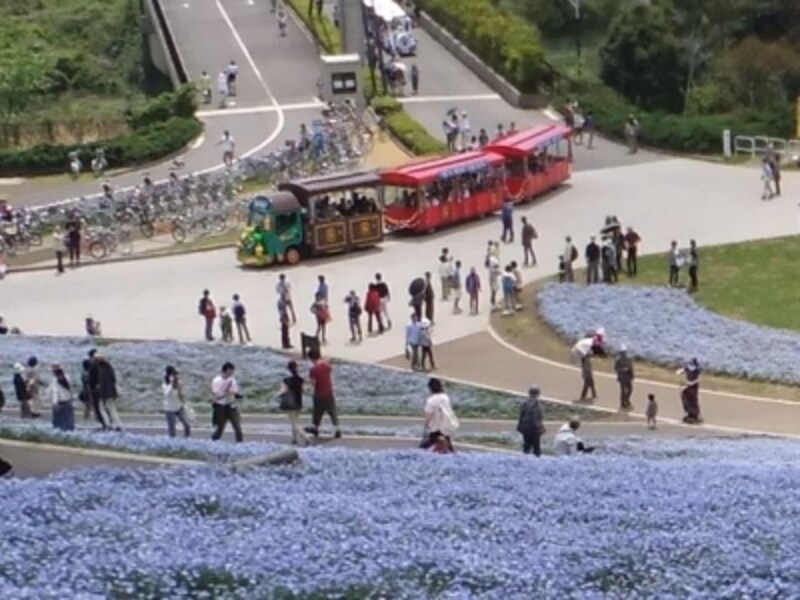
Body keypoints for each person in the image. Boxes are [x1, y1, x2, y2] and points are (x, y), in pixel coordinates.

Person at [307, 348, 341, 439]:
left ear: (311, 358)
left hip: (319, 392)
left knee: (317, 412)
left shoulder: (313, 369)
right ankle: (337, 429)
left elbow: (313, 382)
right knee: (332, 411)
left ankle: (315, 428)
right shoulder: (326, 366)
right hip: (329, 391)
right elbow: (329, 368)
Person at [421, 378, 458, 452]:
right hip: (445, 426)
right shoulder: (445, 397)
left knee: (432, 447)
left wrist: (426, 425)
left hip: (435, 427)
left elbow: (428, 415)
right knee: (447, 446)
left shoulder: (431, 401)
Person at [90, 352, 123, 431]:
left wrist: (98, 388)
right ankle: (118, 425)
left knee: (102, 408)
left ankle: (108, 425)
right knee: (112, 409)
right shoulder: (108, 367)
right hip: (111, 391)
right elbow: (113, 379)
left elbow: (102, 382)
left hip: (104, 392)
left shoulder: (100, 368)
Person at [211, 362, 244, 442]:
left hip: (231, 405)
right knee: (220, 428)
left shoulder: (232, 380)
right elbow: (217, 396)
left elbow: (235, 391)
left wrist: (238, 395)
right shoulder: (217, 381)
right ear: (226, 370)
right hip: (221, 406)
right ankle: (213, 442)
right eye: (231, 371)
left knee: (237, 427)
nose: (232, 373)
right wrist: (228, 393)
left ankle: (240, 444)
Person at [281, 360, 309, 446]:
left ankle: (306, 437)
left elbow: (283, 391)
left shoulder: (286, 380)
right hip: (299, 402)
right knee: (296, 420)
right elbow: (304, 390)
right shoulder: (300, 379)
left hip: (290, 404)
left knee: (294, 423)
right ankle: (294, 439)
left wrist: (278, 395)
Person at [162, 366, 191, 438]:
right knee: (172, 429)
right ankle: (173, 443)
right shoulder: (165, 384)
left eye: (175, 374)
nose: (175, 376)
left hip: (179, 407)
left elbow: (181, 394)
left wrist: (186, 404)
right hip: (169, 409)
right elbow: (166, 394)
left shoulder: (179, 383)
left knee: (186, 424)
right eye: (173, 374)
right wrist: (171, 384)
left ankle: (187, 439)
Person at [517, 385, 546, 456]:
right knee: (536, 449)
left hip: (525, 429)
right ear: (538, 394)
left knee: (526, 447)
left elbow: (521, 416)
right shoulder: (538, 405)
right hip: (535, 430)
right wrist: (541, 429)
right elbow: (538, 419)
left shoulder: (524, 404)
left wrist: (520, 427)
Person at [49, 364, 75, 432]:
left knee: (58, 425)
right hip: (68, 403)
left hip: (59, 404)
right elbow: (71, 389)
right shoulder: (67, 378)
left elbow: (55, 393)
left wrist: (55, 404)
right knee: (69, 424)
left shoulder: (55, 381)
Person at [677, 358, 702, 424]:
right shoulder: (688, 368)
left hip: (693, 386)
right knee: (684, 397)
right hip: (688, 386)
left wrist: (686, 384)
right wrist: (680, 371)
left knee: (693, 400)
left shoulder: (697, 370)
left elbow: (694, 380)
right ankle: (689, 413)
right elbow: (681, 371)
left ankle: (695, 415)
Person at [614, 345, 634, 411]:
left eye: (624, 352)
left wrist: (632, 375)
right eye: (622, 352)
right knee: (623, 390)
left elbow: (631, 367)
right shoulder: (618, 359)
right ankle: (622, 403)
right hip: (622, 376)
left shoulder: (629, 358)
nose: (623, 353)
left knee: (630, 389)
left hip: (628, 376)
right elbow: (616, 368)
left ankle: (626, 399)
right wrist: (622, 369)